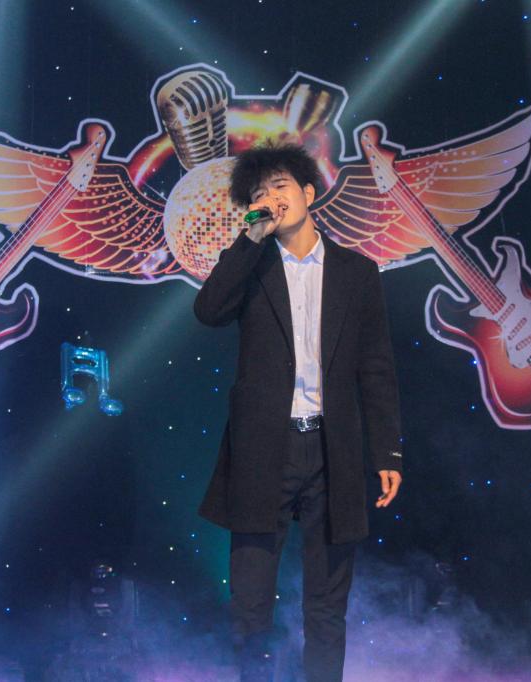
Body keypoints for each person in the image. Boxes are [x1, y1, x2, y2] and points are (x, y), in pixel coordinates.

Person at [194, 141, 404, 682]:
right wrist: (249, 238)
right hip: (264, 449)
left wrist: (387, 452)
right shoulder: (250, 267)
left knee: (327, 608)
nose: (271, 197)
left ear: (309, 192)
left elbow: (376, 368)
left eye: (280, 186)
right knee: (250, 607)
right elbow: (209, 311)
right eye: (259, 193)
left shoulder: (357, 272)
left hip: (331, 451)